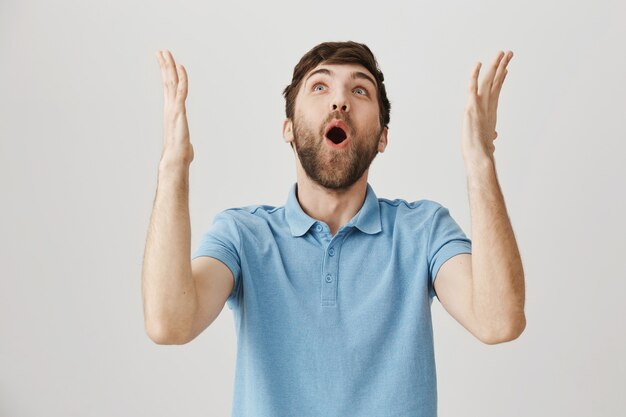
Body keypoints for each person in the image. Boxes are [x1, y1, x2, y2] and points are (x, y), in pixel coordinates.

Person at [142, 41, 526, 417]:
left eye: (360, 90)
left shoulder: (423, 230)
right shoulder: (243, 236)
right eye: (320, 86)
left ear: (382, 137)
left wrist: (480, 160)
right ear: (289, 129)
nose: (339, 101)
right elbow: (169, 322)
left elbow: (498, 321)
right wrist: (173, 166)